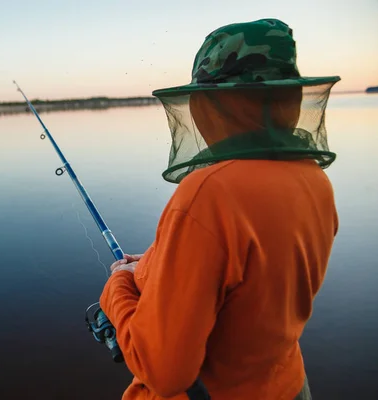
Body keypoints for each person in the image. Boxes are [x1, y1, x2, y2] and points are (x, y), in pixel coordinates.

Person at [100, 18, 340, 400]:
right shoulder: (312, 180)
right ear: (286, 100)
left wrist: (117, 285)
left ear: (212, 105)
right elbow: (251, 270)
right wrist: (152, 264)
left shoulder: (208, 193)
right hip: (289, 387)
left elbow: (164, 371)